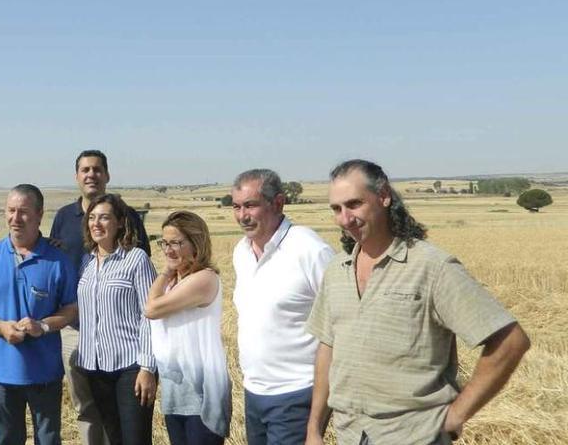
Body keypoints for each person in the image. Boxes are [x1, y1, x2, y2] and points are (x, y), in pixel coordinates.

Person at [305, 159, 531, 445]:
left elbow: (511, 341)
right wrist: (314, 429)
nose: (345, 218)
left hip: (414, 436)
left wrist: (457, 415)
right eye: (336, 209)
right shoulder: (337, 270)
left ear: (384, 196)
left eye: (354, 204)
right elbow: (328, 349)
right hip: (350, 435)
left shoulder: (432, 268)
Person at [0, 184, 78, 445]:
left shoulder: (57, 261)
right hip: (2, 373)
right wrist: (0, 327)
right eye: (11, 210)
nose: (16, 218)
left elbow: (71, 309)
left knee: (48, 440)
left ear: (39, 215)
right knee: (6, 439)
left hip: (45, 374)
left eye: (24, 212)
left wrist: (43, 326)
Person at [49, 149, 151, 445]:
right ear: (77, 176)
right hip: (82, 341)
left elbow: (147, 308)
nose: (91, 174)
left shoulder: (134, 250)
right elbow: (55, 260)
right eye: (85, 170)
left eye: (96, 169)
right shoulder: (69, 226)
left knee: (131, 432)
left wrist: (147, 366)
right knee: (92, 414)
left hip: (126, 353)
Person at [231, 168, 335, 445]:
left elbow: (341, 323)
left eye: (251, 205)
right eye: (237, 207)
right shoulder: (241, 252)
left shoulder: (309, 250)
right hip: (254, 392)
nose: (243, 216)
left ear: (278, 203)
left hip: (297, 393)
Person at [76, 193, 157, 445]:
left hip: (130, 367)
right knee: (114, 438)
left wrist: (147, 368)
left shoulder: (136, 259)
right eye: (92, 218)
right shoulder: (86, 263)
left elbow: (151, 316)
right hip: (96, 368)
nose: (96, 223)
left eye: (104, 217)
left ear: (120, 222)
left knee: (136, 440)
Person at [145, 211, 232, 445]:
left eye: (176, 242)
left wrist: (164, 271)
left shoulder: (204, 279)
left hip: (201, 394)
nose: (168, 250)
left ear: (196, 242)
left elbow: (151, 309)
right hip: (176, 391)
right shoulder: (175, 282)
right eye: (164, 242)